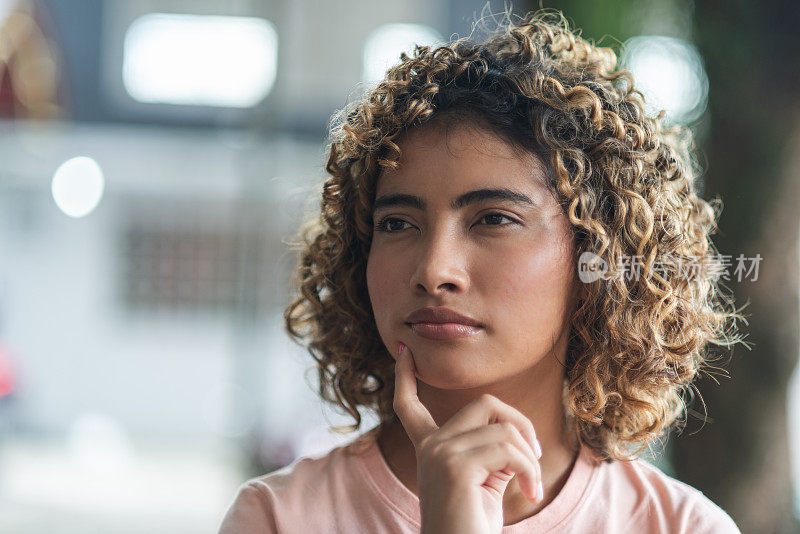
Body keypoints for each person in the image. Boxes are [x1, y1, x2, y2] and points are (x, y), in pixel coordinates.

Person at [218, 8, 746, 533]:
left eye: (493, 219)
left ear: (597, 258)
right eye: (398, 224)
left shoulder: (681, 526)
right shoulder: (277, 517)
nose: (435, 270)